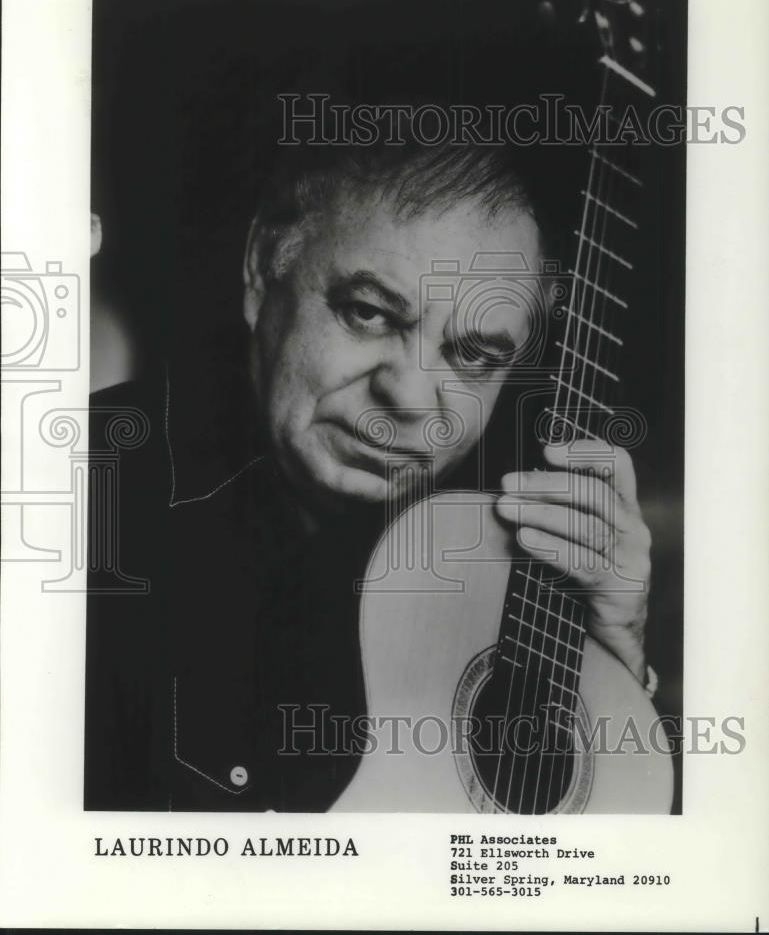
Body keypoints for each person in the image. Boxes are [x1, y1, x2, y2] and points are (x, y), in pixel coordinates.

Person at [85, 138, 654, 812]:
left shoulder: (497, 567)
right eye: (368, 313)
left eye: (471, 356)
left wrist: (613, 670)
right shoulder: (79, 497)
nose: (409, 398)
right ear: (264, 267)